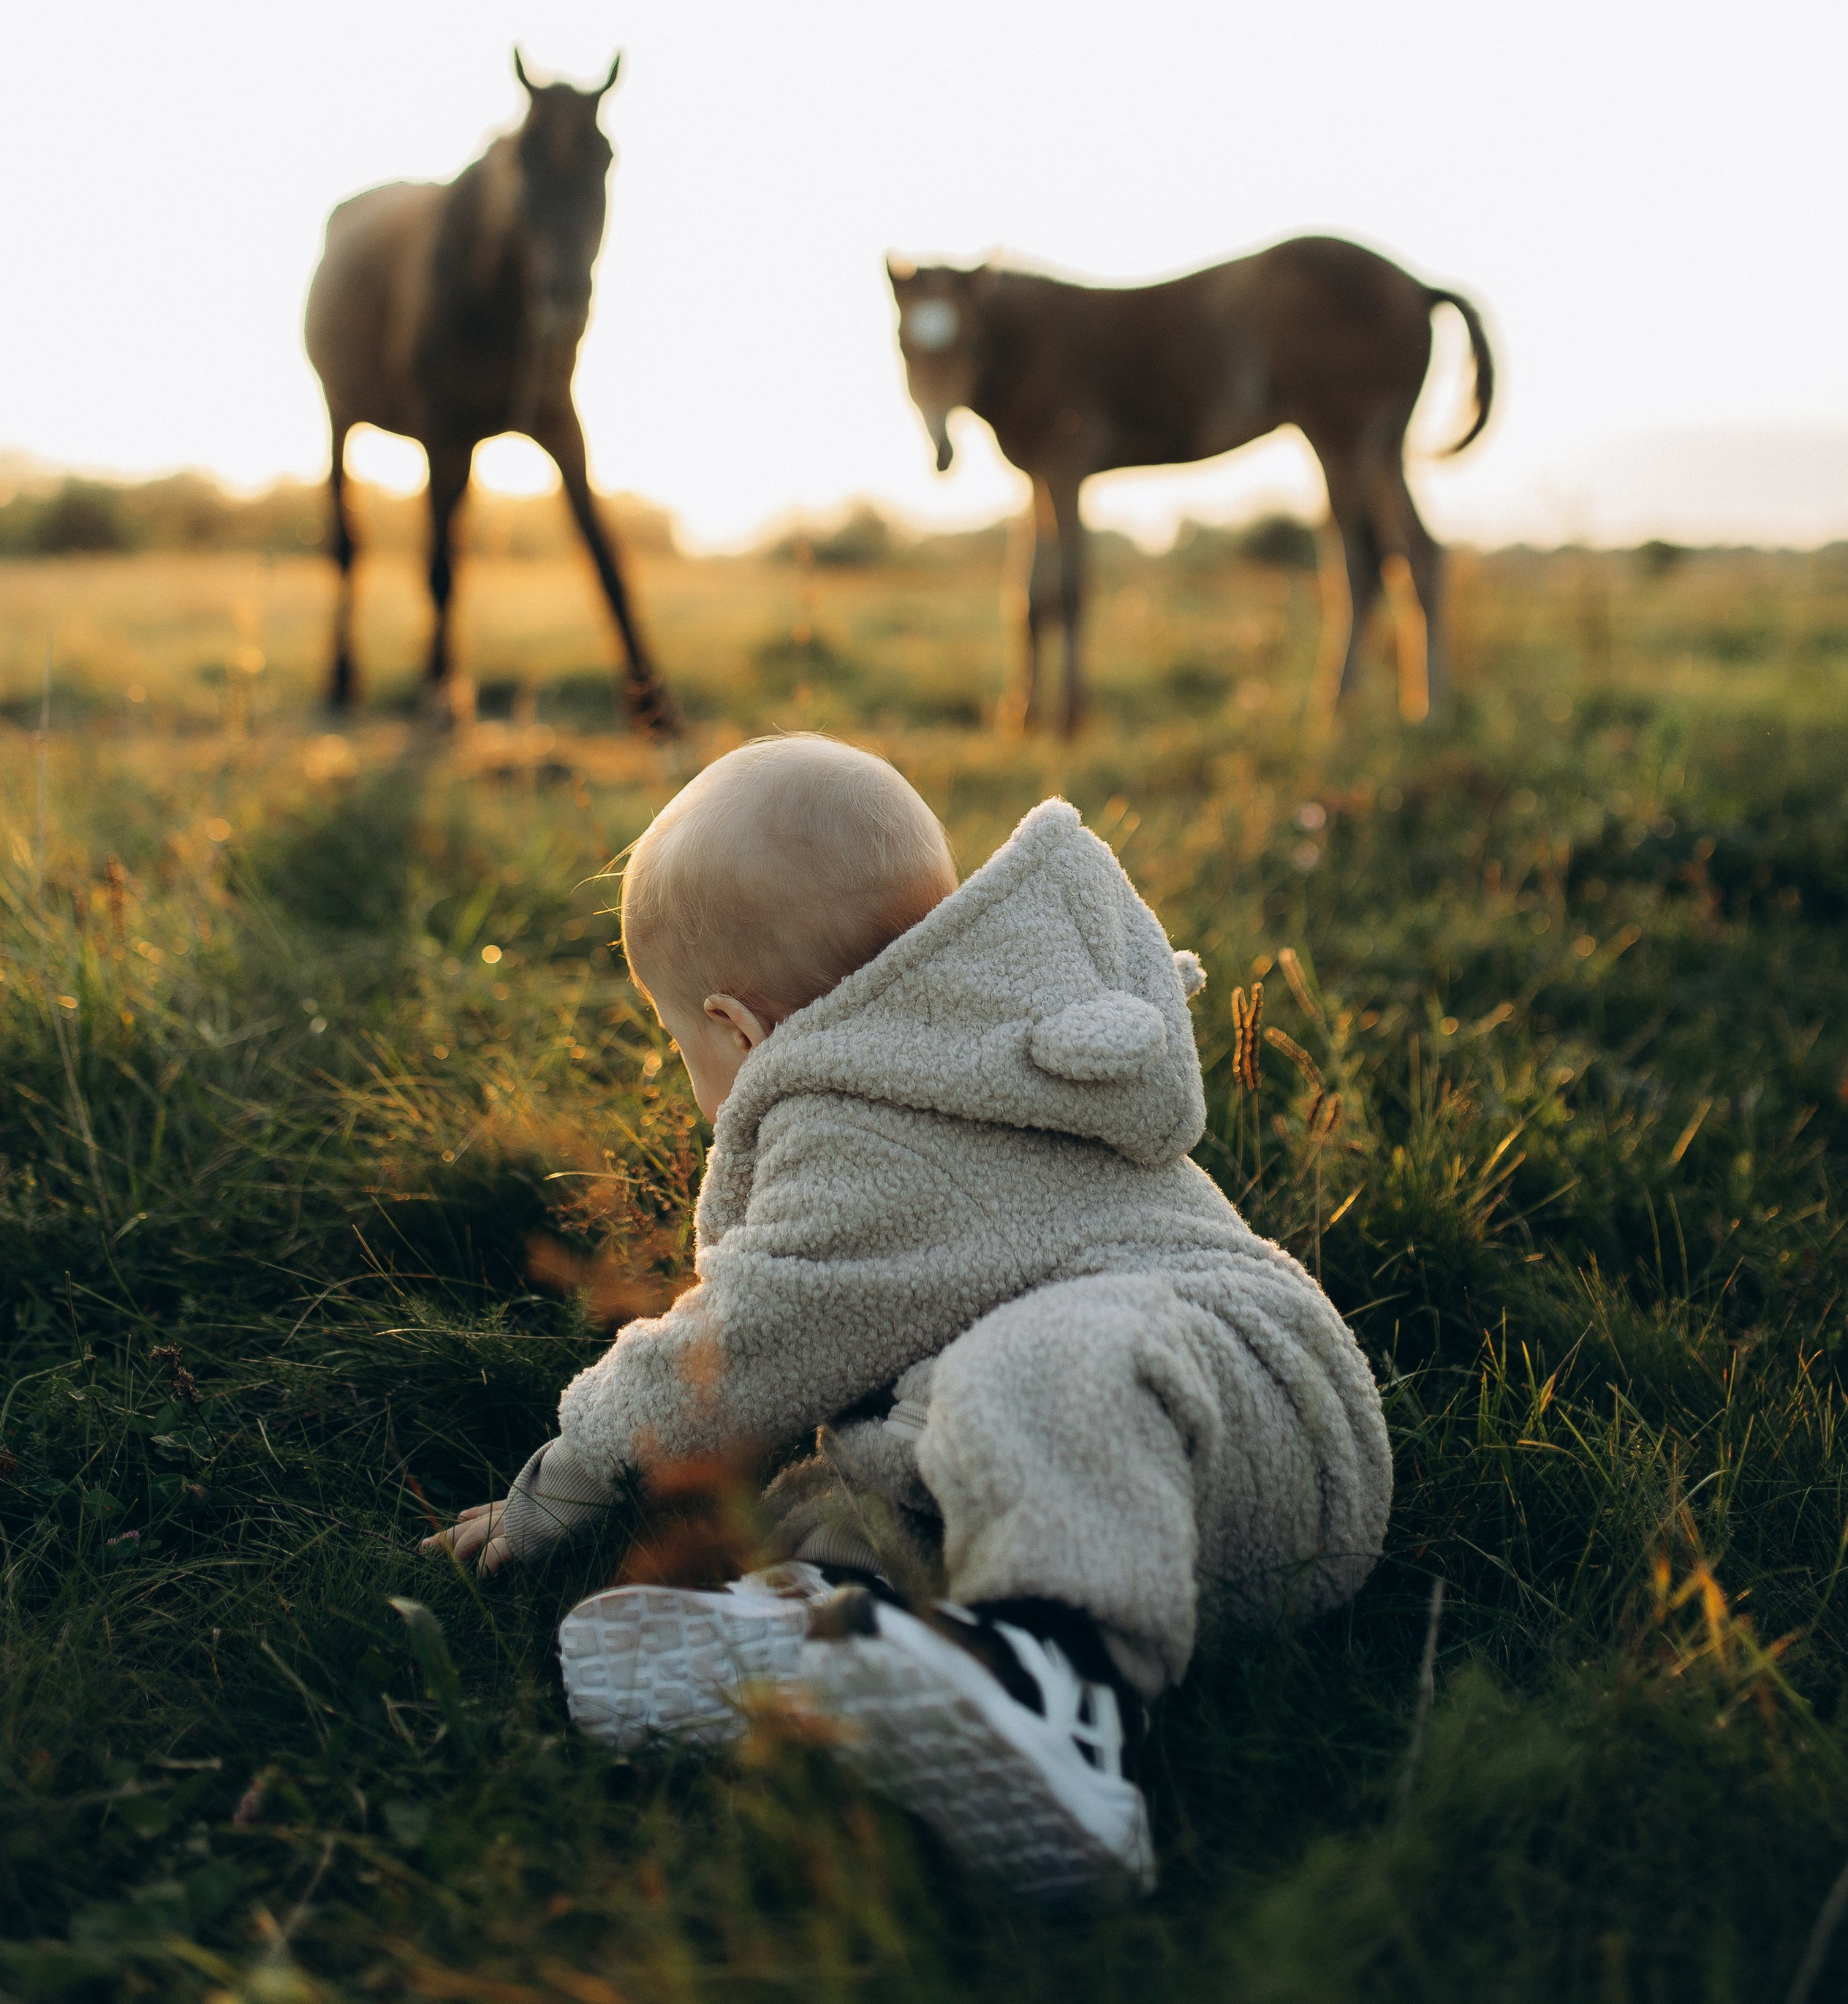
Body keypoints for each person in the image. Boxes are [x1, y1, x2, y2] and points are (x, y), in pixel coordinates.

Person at [423, 735, 1392, 1894]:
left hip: (1254, 1410)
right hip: (1132, 1467)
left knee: (1030, 1369)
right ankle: (841, 1637)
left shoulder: (868, 1132)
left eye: (683, 1050)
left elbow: (739, 1349)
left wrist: (563, 1484)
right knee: (876, 1469)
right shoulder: (964, 1046)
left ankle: (1058, 1693)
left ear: (737, 1029)